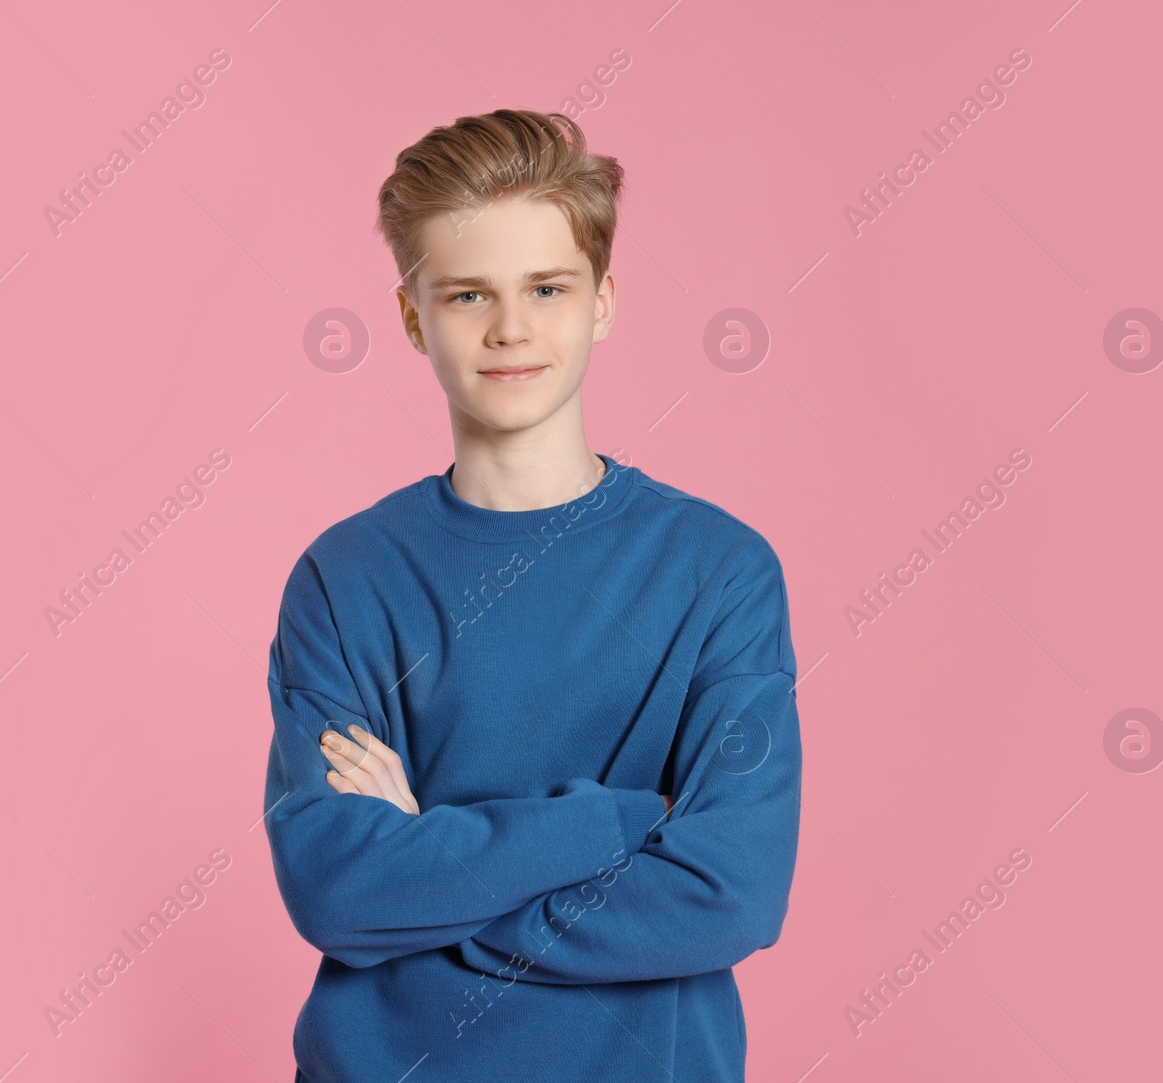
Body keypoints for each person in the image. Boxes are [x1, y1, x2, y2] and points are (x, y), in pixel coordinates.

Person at [263, 108, 801, 1081]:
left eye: (545, 288)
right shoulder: (343, 580)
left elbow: (731, 890)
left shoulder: (719, 571)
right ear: (412, 315)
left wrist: (430, 870)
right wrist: (623, 820)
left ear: (600, 299)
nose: (510, 328)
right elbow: (338, 893)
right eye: (469, 294)